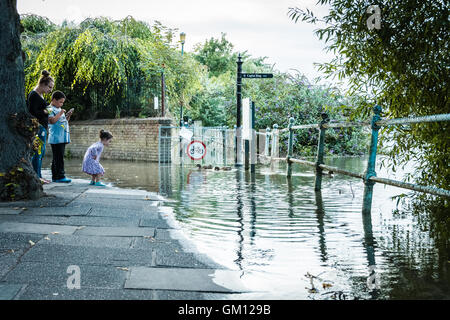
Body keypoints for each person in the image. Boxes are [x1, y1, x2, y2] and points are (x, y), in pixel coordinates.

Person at [27, 70, 54, 184]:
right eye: (49, 87)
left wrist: (48, 109)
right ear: (43, 84)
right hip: (38, 127)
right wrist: (46, 110)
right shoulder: (33, 95)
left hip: (42, 127)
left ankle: (39, 176)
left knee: (41, 152)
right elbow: (33, 112)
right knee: (38, 152)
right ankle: (36, 177)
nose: (50, 90)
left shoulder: (40, 95)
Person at [48, 91, 74, 183]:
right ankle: (60, 176)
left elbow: (63, 121)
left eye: (63, 102)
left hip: (62, 137)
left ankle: (55, 177)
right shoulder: (50, 109)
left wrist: (68, 116)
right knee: (58, 158)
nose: (61, 104)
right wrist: (60, 113)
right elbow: (52, 121)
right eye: (60, 102)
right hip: (56, 138)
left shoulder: (59, 109)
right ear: (54, 100)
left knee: (57, 157)